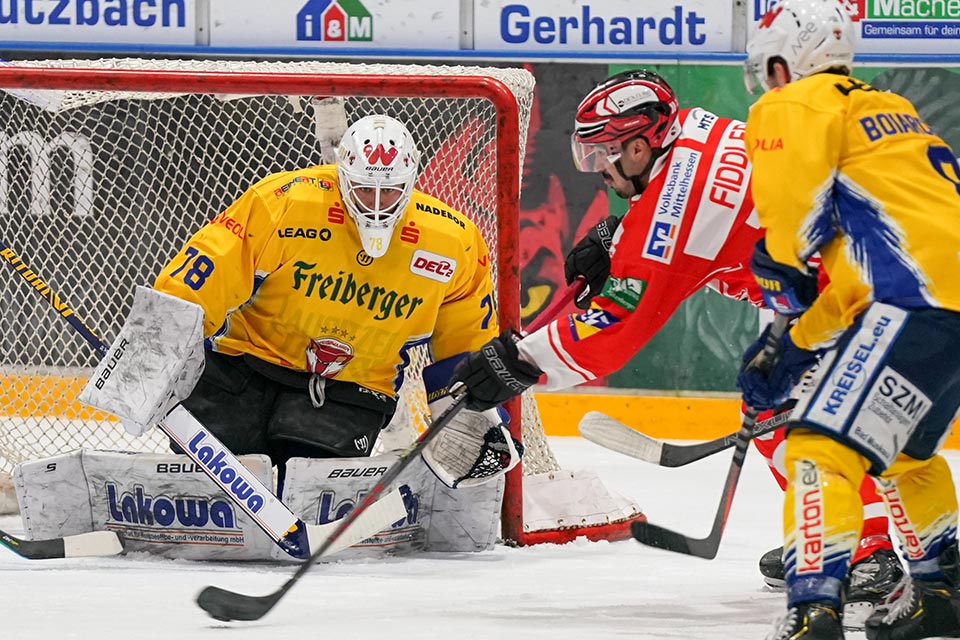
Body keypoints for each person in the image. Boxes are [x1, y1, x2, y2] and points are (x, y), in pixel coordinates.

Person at [449, 68, 901, 624]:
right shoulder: (692, 130)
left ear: (640, 146)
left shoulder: (675, 206)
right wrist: (621, 235)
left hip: (857, 290)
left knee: (809, 424)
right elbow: (700, 211)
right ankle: (829, 532)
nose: (599, 172)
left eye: (604, 156)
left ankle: (867, 552)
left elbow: (614, 327)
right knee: (775, 409)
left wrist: (523, 361)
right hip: (845, 269)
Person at [98, 113, 521, 494]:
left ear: (410, 184)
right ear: (342, 176)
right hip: (244, 367)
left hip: (353, 390)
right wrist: (151, 356)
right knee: (210, 478)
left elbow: (466, 346)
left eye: (389, 192)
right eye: (362, 190)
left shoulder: (453, 242)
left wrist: (473, 416)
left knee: (304, 481)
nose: (375, 205)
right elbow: (201, 276)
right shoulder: (285, 203)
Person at [735, 0, 960, 638]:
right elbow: (868, 267)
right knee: (904, 459)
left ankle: (813, 612)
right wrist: (797, 344)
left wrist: (779, 268)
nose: (768, 84)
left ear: (784, 62)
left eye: (769, 70)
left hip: (912, 306)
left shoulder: (793, 104)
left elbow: (790, 229)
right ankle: (943, 594)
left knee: (816, 449)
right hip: (943, 310)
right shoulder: (891, 114)